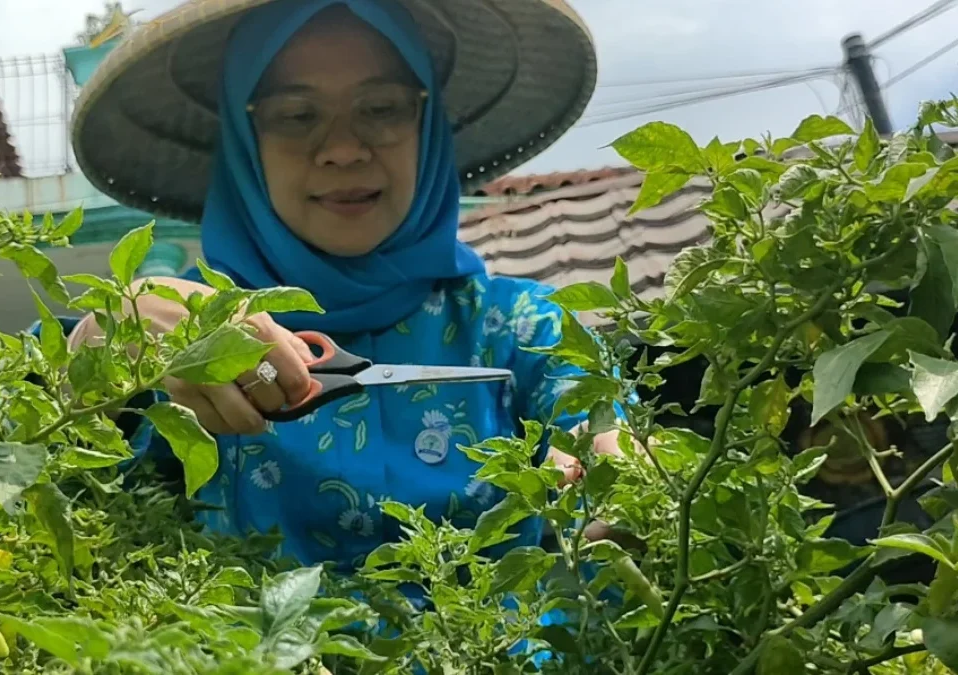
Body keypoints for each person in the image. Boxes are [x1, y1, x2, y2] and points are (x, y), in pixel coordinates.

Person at [60, 0, 624, 574]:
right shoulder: (186, 333)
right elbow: (29, 478)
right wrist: (102, 348)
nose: (344, 150)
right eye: (296, 115)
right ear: (244, 140)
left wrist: (612, 478)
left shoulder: (521, 328)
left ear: (425, 127)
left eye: (380, 108)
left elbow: (602, 434)